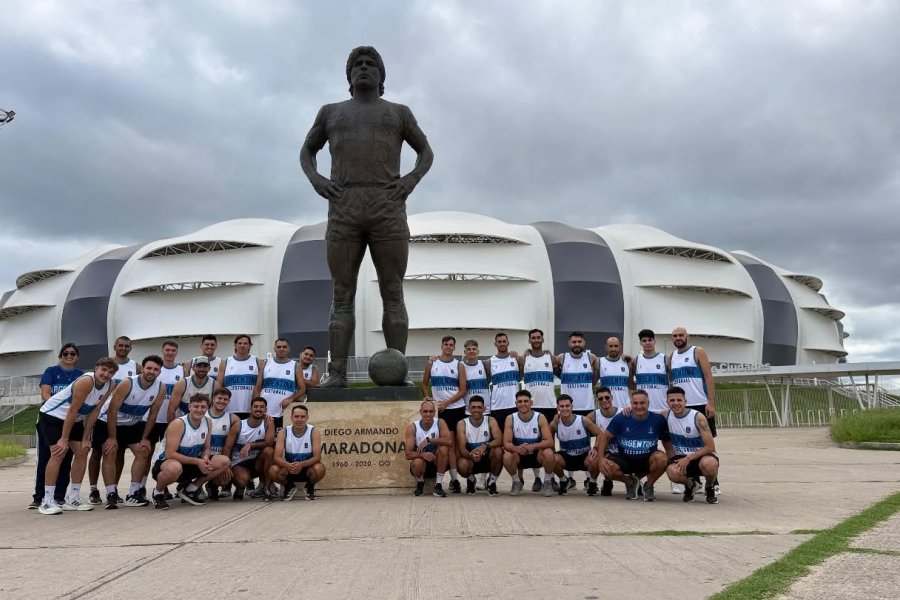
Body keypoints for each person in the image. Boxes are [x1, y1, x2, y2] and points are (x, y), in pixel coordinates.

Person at [299, 46, 434, 387]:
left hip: (387, 207)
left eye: (370, 64)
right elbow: (307, 150)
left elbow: (425, 152)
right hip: (344, 206)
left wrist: (410, 180)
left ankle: (397, 371)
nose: (363, 68)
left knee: (393, 290)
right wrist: (317, 179)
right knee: (341, 293)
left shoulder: (399, 113)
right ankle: (338, 373)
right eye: (356, 65)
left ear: (380, 75)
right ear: (348, 77)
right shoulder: (330, 112)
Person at [35, 357, 116, 514]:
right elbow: (72, 410)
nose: (106, 374)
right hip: (53, 417)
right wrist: (64, 439)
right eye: (103, 370)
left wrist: (86, 438)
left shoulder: (110, 385)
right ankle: (47, 500)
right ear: (96, 368)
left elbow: (95, 411)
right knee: (58, 453)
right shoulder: (86, 382)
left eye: (110, 372)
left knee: (83, 451)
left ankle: (73, 497)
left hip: (75, 419)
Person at [96, 355, 166, 508]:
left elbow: (152, 415)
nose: (151, 371)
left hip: (132, 424)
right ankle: (111, 494)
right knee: (111, 451)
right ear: (142, 368)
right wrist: (113, 438)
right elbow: (112, 411)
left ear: (159, 372)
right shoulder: (128, 383)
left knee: (143, 452)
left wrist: (146, 438)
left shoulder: (161, 388)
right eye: (149, 368)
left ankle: (134, 493)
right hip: (108, 422)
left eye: (155, 369)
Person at [151, 393, 230, 510]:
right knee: (174, 467)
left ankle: (190, 489)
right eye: (196, 406)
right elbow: (170, 454)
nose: (199, 410)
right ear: (189, 407)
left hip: (190, 463)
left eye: (203, 407)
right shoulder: (178, 424)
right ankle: (158, 492)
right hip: (166, 464)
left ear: (207, 408)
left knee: (224, 461)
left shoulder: (207, 422)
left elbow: (206, 448)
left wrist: (205, 458)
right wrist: (198, 462)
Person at [30, 343, 84, 510]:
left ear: (77, 357)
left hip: (70, 420)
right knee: (47, 457)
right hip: (51, 418)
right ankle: (40, 497)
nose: (69, 356)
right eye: (66, 353)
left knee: (66, 458)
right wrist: (56, 407)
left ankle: (59, 496)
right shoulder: (51, 371)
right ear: (61, 356)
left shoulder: (80, 376)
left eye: (73, 353)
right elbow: (45, 393)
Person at [87, 336, 137, 505]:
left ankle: (112, 490)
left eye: (126, 346)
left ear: (130, 348)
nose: (123, 348)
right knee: (97, 452)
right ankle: (93, 489)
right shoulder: (106, 364)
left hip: (121, 418)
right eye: (120, 345)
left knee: (117, 452)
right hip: (101, 416)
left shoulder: (135, 366)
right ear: (114, 346)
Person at [596, 390, 669, 502]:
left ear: (648, 403)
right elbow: (604, 436)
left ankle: (648, 485)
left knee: (662, 459)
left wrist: (672, 459)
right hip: (625, 459)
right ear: (631, 403)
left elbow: (667, 440)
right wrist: (600, 459)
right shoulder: (621, 418)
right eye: (635, 403)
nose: (639, 406)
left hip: (647, 460)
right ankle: (630, 483)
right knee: (606, 467)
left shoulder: (658, 419)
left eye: (642, 403)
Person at [631, 329, 678, 493]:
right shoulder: (637, 360)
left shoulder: (664, 359)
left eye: (650, 340)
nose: (648, 343)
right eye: (644, 340)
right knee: (643, 447)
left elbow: (673, 378)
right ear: (641, 343)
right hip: (644, 412)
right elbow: (631, 382)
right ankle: (641, 480)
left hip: (663, 411)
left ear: (654, 341)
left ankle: (676, 480)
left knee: (669, 445)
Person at [421, 335, 467, 493]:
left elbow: (463, 390)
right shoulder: (432, 362)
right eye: (446, 344)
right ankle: (434, 477)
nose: (448, 347)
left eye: (451, 345)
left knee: (452, 444)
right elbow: (424, 383)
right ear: (441, 346)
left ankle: (455, 479)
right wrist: (427, 397)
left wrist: (447, 403)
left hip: (454, 408)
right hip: (437, 409)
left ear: (454, 347)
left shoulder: (459, 365)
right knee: (440, 444)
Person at [555, 331, 598, 488]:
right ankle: (570, 478)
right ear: (569, 344)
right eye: (574, 342)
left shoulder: (591, 358)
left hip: (586, 406)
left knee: (585, 440)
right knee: (565, 437)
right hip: (568, 407)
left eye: (579, 341)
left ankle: (588, 478)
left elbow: (595, 378)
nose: (577, 344)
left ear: (584, 343)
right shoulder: (561, 358)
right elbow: (554, 369)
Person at [664, 387, 719, 504]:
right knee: (672, 472)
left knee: (710, 464)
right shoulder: (665, 415)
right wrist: (627, 410)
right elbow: (643, 413)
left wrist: (688, 458)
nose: (676, 403)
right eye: (672, 400)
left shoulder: (698, 418)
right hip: (682, 459)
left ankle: (710, 486)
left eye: (679, 400)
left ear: (685, 402)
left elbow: (710, 447)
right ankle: (691, 485)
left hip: (701, 457)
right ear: (667, 402)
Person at [521, 328, 559, 492]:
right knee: (529, 442)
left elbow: (560, 367)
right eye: (533, 338)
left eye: (538, 337)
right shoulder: (524, 358)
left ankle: (549, 478)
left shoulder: (551, 357)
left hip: (549, 407)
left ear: (542, 339)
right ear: (530, 340)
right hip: (531, 406)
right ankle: (536, 478)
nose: (536, 339)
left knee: (549, 445)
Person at [502, 390, 556, 496]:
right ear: (516, 404)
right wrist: (516, 448)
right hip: (520, 455)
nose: (523, 404)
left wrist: (533, 446)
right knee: (507, 456)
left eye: (526, 401)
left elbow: (549, 442)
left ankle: (547, 482)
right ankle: (516, 482)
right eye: (520, 401)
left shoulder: (540, 417)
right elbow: (506, 443)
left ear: (531, 402)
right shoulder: (510, 418)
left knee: (549, 453)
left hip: (537, 456)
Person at [269, 404, 326, 500]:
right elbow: (276, 457)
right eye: (296, 416)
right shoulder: (284, 432)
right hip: (290, 468)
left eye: (302, 417)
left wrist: (301, 465)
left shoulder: (313, 431)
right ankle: (289, 486)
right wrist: (288, 465)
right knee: (273, 470)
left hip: (307, 469)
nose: (299, 419)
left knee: (319, 468)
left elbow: (317, 457)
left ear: (307, 418)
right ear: (291, 418)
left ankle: (310, 488)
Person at [551, 394, 604, 496]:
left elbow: (600, 434)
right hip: (567, 457)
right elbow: (548, 437)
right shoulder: (555, 424)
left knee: (595, 458)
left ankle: (592, 483)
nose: (565, 408)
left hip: (584, 457)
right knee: (551, 458)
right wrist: (552, 450)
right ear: (558, 408)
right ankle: (564, 481)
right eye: (562, 406)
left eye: (567, 406)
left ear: (572, 407)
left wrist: (596, 448)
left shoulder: (583, 420)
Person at [224, 397, 275, 501]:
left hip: (257, 462)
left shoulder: (268, 423)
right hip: (239, 462)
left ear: (265, 410)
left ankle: (267, 488)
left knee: (269, 451)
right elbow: (227, 447)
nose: (258, 409)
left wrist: (250, 445)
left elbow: (269, 442)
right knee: (242, 480)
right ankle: (240, 488)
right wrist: (227, 466)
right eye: (255, 406)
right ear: (250, 408)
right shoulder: (239, 425)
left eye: (262, 407)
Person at [455, 395, 502, 496]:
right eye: (473, 407)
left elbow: (499, 440)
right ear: (468, 409)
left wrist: (485, 446)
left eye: (479, 407)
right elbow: (462, 448)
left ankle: (491, 482)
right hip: (471, 459)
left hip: (486, 458)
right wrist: (470, 455)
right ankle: (471, 480)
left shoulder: (490, 420)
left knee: (498, 451)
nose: (476, 410)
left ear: (484, 408)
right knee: (461, 463)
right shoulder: (462, 423)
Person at [404, 400, 451, 497]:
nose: (428, 414)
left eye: (430, 411)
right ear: (420, 412)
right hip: (420, 466)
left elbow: (449, 441)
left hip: (436, 463)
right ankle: (420, 483)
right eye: (425, 411)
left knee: (444, 449)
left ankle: (438, 485)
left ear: (434, 412)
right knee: (417, 462)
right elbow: (408, 454)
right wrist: (422, 455)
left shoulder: (440, 423)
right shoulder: (413, 427)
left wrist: (429, 440)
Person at [459, 339, 490, 489]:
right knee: (469, 441)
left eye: (474, 349)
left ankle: (484, 478)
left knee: (486, 440)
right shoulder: (461, 366)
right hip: (468, 410)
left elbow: (490, 380)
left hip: (485, 409)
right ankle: (470, 477)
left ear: (478, 351)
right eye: (468, 349)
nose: (471, 351)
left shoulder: (484, 365)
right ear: (465, 352)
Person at [259, 338, 307, 431]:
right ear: (274, 349)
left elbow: (302, 389)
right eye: (279, 347)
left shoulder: (295, 366)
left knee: (280, 442)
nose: (281, 349)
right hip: (265, 413)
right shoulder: (265, 363)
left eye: (284, 347)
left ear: (288, 349)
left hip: (283, 414)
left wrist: (291, 399)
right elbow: (258, 387)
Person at [204, 387, 239, 500]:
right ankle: (192, 486)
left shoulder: (233, 419)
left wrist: (227, 465)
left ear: (229, 402)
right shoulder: (202, 416)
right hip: (202, 457)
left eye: (225, 399)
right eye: (219, 398)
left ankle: (212, 485)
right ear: (213, 399)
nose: (222, 401)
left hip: (219, 459)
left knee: (224, 478)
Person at [585, 387, 621, 497]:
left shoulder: (622, 412)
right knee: (591, 459)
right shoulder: (593, 415)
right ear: (597, 400)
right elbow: (578, 422)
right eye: (600, 399)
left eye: (607, 397)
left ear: (612, 398)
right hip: (602, 450)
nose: (604, 400)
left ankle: (608, 481)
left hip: (620, 450)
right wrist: (559, 418)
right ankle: (592, 481)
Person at [217, 334, 262, 419]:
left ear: (250, 346)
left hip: (249, 410)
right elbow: (219, 386)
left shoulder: (258, 362)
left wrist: (255, 407)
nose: (242, 345)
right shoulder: (226, 362)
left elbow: (258, 387)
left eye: (245, 343)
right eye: (240, 343)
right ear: (235, 345)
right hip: (229, 409)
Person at [168, 356, 216, 422]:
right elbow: (171, 409)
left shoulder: (215, 385)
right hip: (182, 422)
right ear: (193, 368)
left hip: (203, 422)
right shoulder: (182, 384)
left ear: (209, 368)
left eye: (205, 366)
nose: (202, 369)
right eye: (199, 366)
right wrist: (171, 428)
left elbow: (215, 410)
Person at [599, 337, 630, 409]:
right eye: (610, 346)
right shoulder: (600, 362)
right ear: (606, 347)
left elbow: (631, 383)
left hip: (625, 408)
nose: (613, 349)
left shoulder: (627, 362)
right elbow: (593, 382)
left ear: (620, 347)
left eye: (616, 346)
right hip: (607, 408)